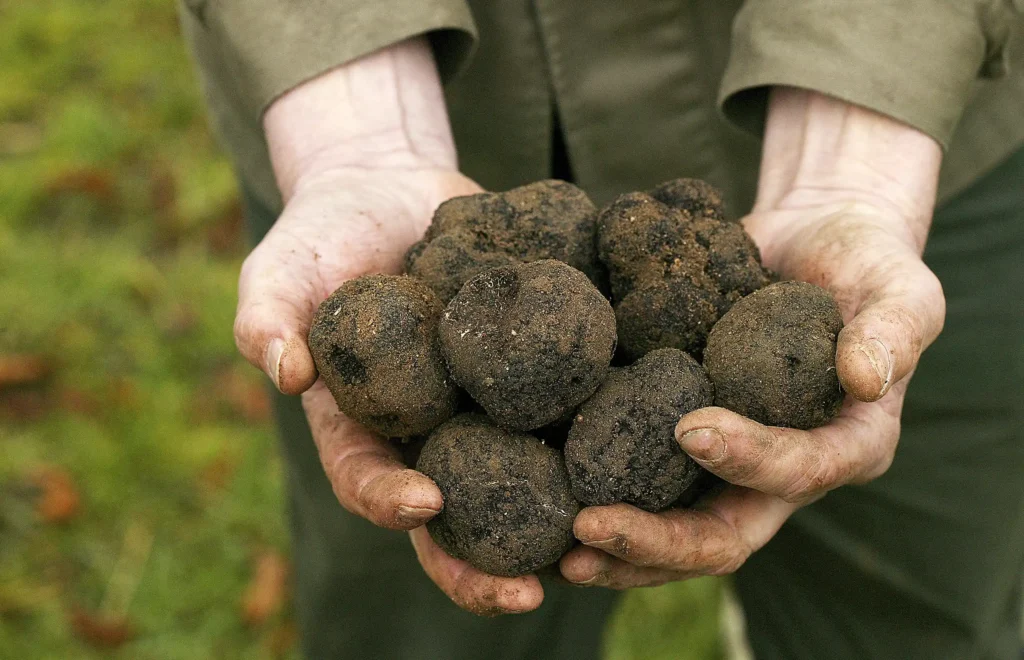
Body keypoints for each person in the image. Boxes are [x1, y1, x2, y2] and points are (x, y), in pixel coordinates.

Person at [179, 1, 1024, 658]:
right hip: (375, 130)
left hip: (908, 138)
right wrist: (353, 130)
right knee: (414, 628)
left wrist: (859, 144)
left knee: (911, 613)